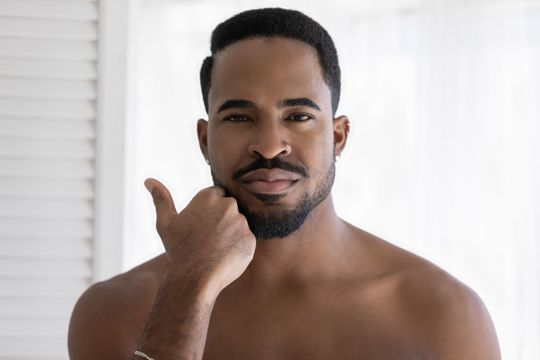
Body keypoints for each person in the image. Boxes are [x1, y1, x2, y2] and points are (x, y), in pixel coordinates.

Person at [68, 8, 501, 360]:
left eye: (298, 116)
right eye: (239, 117)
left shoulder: (443, 315)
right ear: (205, 139)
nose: (270, 146)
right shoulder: (117, 312)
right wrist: (187, 286)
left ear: (338, 136)